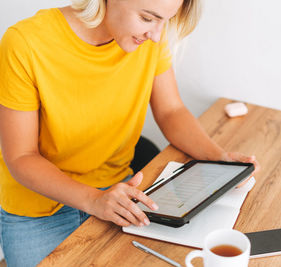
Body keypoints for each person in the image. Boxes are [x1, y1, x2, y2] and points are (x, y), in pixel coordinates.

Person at [0, 0, 259, 266]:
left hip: (117, 192)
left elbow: (171, 111)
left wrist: (220, 158)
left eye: (165, 21)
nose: (157, 35)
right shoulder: (25, 43)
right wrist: (94, 200)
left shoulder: (148, 39)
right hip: (38, 210)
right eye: (147, 19)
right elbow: (21, 156)